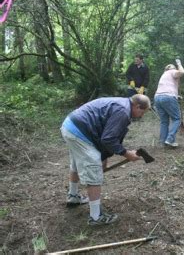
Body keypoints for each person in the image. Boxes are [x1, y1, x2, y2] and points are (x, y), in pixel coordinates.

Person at [60, 94, 151, 226]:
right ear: (137, 106)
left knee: (77, 163)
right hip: (80, 132)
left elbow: (104, 134)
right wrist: (127, 154)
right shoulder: (123, 112)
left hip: (71, 126)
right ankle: (96, 217)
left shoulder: (121, 104)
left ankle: (73, 196)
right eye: (142, 112)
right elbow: (108, 139)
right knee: (94, 173)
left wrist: (103, 156)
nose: (142, 116)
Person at [154, 59, 184, 147]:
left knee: (164, 121)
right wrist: (179, 64)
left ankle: (162, 141)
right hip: (168, 97)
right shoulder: (172, 71)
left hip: (157, 98)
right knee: (177, 119)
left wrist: (176, 96)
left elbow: (165, 89)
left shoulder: (164, 75)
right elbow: (182, 72)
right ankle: (170, 139)